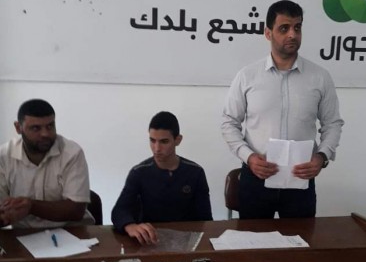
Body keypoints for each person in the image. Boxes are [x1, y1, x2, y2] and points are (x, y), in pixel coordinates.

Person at [221, 0, 344, 219]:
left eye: (297, 27)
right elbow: (229, 122)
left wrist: (322, 157)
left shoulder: (319, 77)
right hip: (256, 179)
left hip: (301, 180)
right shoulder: (247, 76)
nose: (292, 35)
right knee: (254, 240)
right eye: (284, 28)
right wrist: (249, 157)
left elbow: (333, 124)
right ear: (268, 33)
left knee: (301, 239)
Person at [112, 111, 212, 244]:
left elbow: (205, 219)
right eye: (152, 141)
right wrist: (130, 226)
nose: (157, 148)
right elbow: (119, 210)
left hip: (186, 241)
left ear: (178, 140)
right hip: (150, 240)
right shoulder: (139, 172)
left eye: (164, 142)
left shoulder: (195, 172)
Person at [0, 99, 93, 228]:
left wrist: (31, 206)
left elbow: (76, 211)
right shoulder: (4, 156)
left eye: (50, 126)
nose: (45, 134)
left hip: (71, 231)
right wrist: (5, 216)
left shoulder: (72, 153)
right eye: (36, 128)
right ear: (18, 128)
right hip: (22, 234)